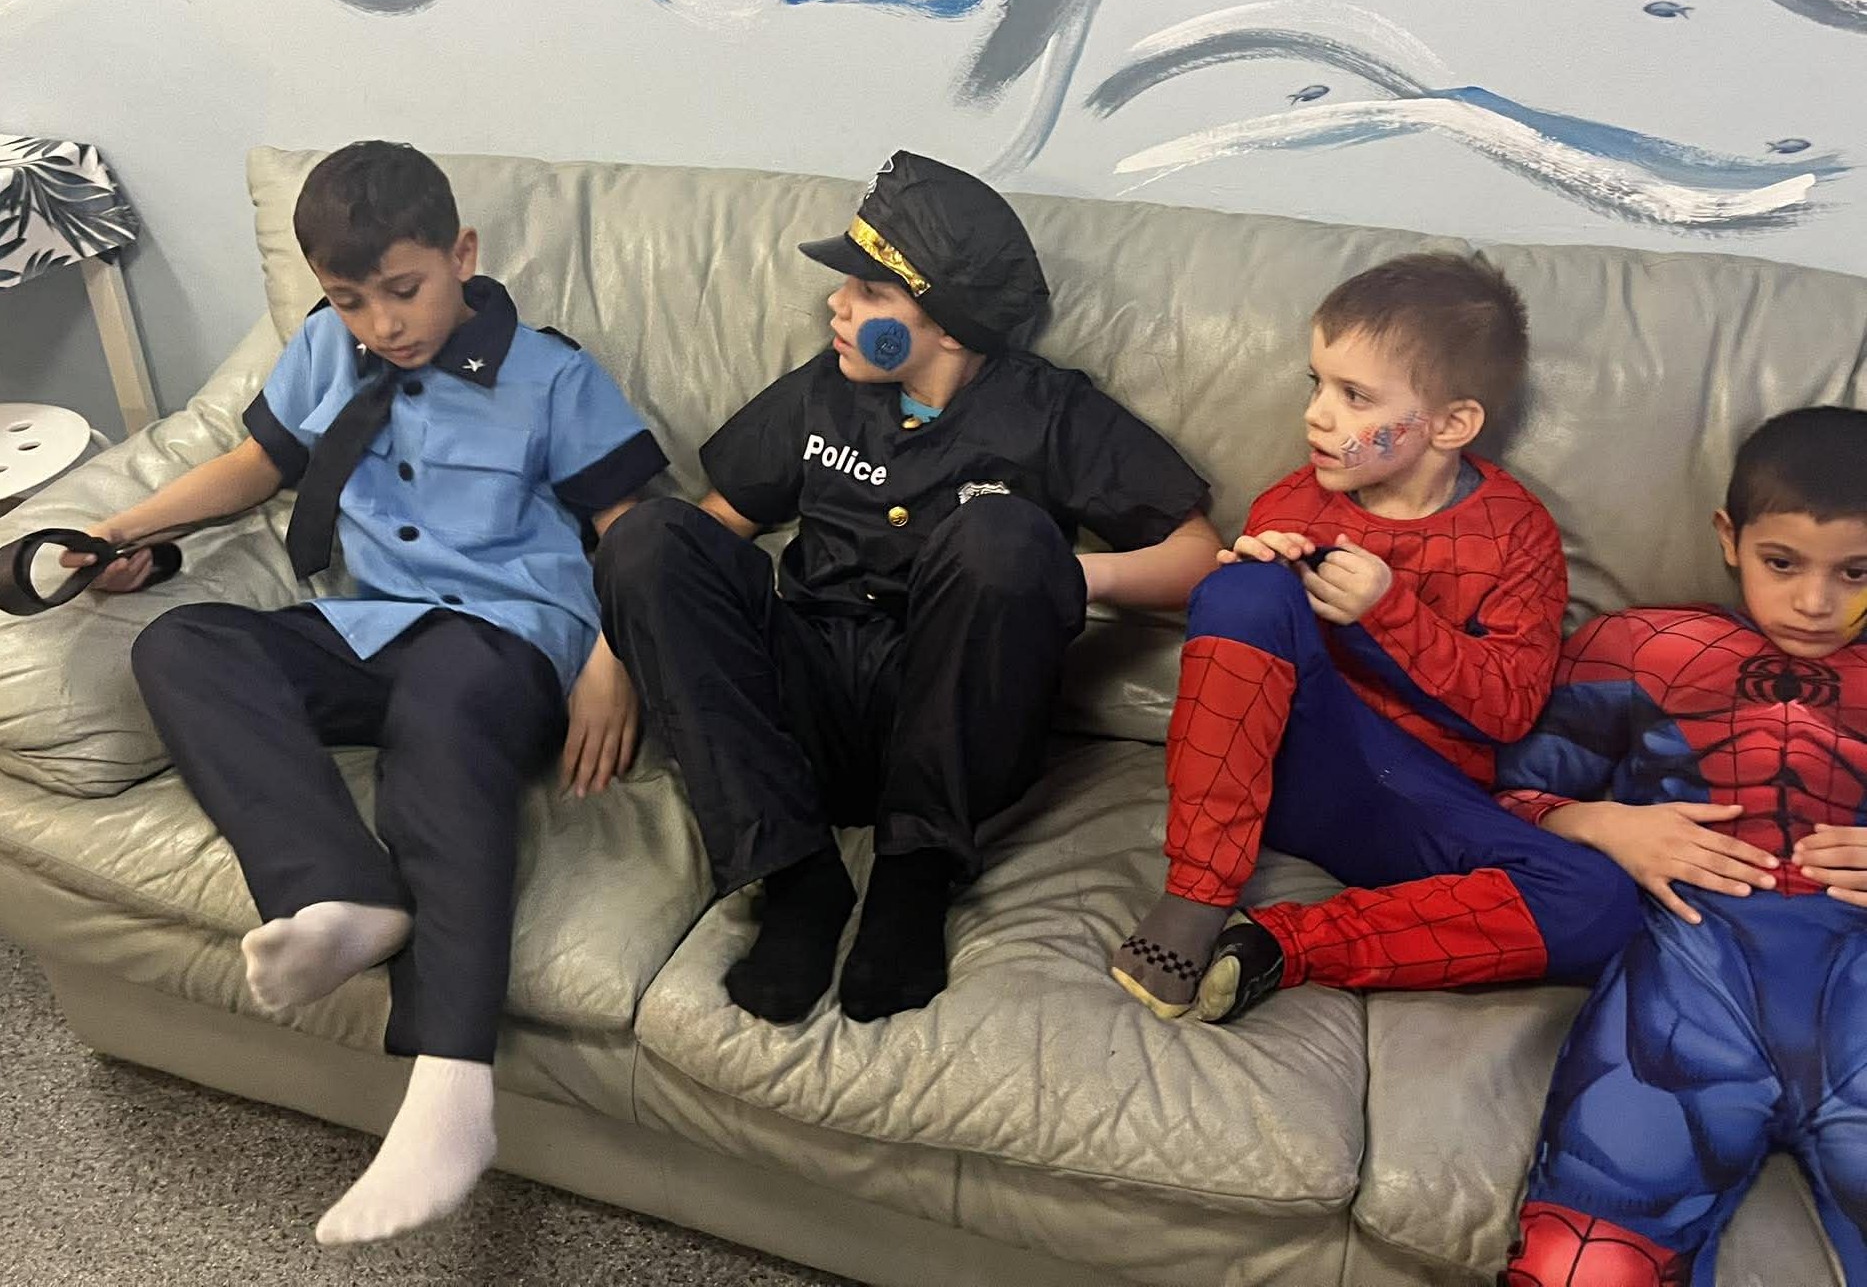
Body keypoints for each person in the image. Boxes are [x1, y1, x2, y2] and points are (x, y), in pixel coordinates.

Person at [73, 141, 666, 1243]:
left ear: (461, 255)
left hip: (507, 640)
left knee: (439, 701)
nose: (383, 325)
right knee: (183, 645)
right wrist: (116, 531)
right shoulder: (323, 349)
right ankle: (339, 891)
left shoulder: (551, 376)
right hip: (370, 625)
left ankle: (449, 1088)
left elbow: (634, 528)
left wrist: (611, 660)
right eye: (352, 300)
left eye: (404, 290)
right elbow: (259, 466)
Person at [595, 150, 1221, 1024]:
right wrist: (607, 658)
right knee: (646, 535)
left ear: (951, 326)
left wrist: (1059, 570)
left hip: (945, 709)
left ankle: (913, 877)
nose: (836, 306)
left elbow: (1199, 555)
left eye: (869, 293)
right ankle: (794, 874)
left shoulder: (1046, 411)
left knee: (1002, 531)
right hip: (807, 697)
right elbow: (704, 533)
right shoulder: (823, 389)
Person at [1112, 253, 1639, 1021]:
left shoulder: (1516, 532)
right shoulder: (1294, 502)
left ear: (1451, 424)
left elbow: (1508, 711)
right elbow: (1239, 660)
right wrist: (1253, 587)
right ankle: (1194, 895)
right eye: (1316, 383)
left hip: (1417, 799)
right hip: (1280, 771)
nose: (1316, 415)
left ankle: (1283, 945)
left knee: (1599, 904)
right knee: (1241, 586)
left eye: (1354, 396)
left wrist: (1387, 610)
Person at [1499, 405, 1867, 1287]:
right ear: (1728, 538)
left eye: (1856, 572)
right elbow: (1490, 798)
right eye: (1782, 562)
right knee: (1578, 1266)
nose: (1814, 602)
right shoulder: (1639, 647)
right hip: (1683, 992)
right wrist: (1603, 823)